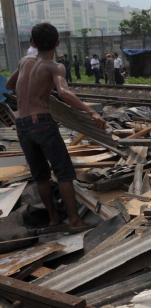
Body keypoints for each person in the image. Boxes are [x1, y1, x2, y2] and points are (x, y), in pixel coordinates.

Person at [5, 23, 106, 229]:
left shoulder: (25, 61)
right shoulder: (55, 66)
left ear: (32, 43)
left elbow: (9, 85)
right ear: (58, 43)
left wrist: (32, 89)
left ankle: (53, 218)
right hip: (41, 122)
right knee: (64, 173)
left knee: (40, 175)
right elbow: (64, 92)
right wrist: (91, 111)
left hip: (21, 124)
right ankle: (75, 221)